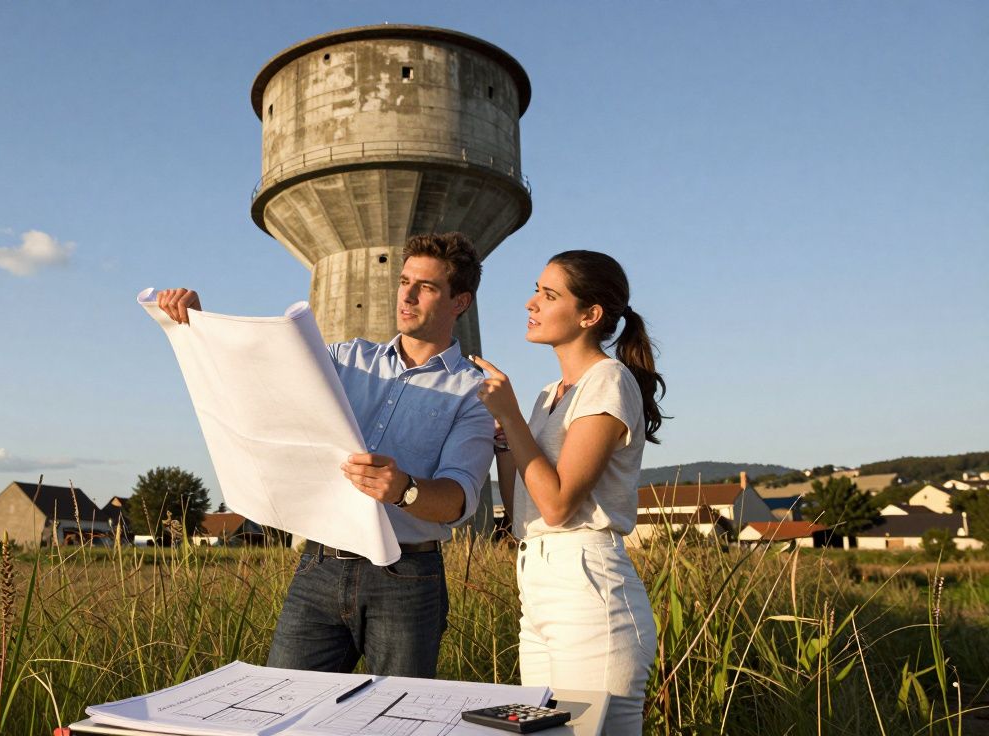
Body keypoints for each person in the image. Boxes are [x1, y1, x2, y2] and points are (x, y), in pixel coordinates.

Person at [155, 232, 494, 678]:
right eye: (404, 281)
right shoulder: (344, 359)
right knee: (284, 710)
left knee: (394, 721)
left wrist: (404, 489)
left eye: (426, 287)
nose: (407, 295)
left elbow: (459, 497)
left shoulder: (475, 392)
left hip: (408, 577)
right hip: (319, 567)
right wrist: (200, 323)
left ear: (460, 302)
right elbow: (259, 377)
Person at [471, 250, 664, 736]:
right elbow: (524, 512)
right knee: (545, 733)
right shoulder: (547, 394)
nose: (531, 303)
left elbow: (558, 506)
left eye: (548, 294)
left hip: (588, 588)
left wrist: (512, 417)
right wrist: (505, 438)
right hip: (537, 584)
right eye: (537, 289)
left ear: (590, 315)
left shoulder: (609, 381)